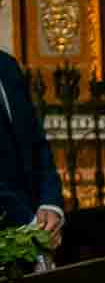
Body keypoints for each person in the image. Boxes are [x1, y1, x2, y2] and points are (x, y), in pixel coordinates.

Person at [1, 50, 65, 249]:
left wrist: (50, 204)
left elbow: (37, 144)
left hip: (35, 230)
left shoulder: (7, 65)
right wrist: (28, 223)